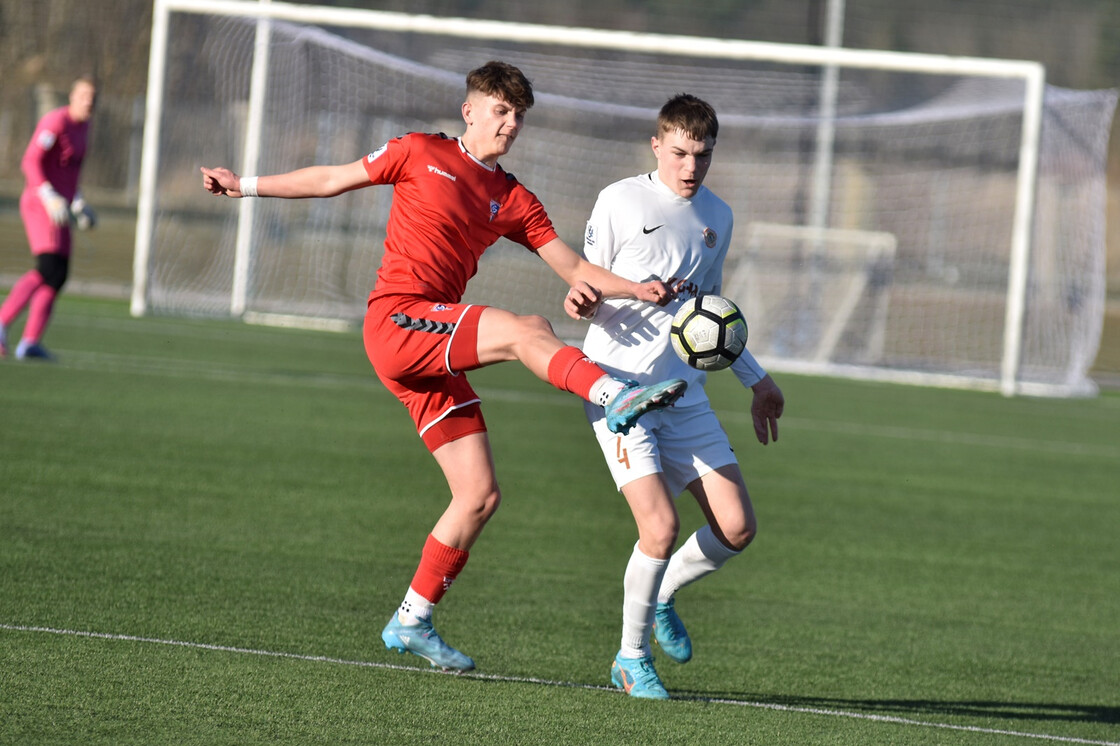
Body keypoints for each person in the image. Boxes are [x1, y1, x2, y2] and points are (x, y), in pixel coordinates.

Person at [200, 61, 687, 672]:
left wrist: (636, 288)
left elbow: (575, 269)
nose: (509, 125)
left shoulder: (512, 197)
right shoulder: (417, 151)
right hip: (398, 320)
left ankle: (412, 617)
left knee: (479, 495)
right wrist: (242, 184)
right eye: (500, 111)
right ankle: (611, 392)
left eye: (518, 117)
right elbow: (332, 178)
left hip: (429, 346)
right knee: (524, 330)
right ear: (470, 110)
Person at [577, 94, 785, 699]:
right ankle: (630, 658)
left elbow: (708, 318)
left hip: (684, 396)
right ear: (656, 146)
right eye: (680, 154)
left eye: (703, 156)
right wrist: (590, 298)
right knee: (660, 528)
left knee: (737, 527)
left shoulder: (717, 215)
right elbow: (585, 278)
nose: (691, 167)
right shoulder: (620, 199)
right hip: (618, 389)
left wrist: (758, 379)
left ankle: (662, 595)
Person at [0, 76, 98, 361]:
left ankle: (29, 343)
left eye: (93, 96)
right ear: (72, 96)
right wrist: (47, 193)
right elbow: (30, 161)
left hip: (62, 206)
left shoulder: (85, 128)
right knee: (47, 267)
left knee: (58, 275)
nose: (89, 101)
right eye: (84, 95)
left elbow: (70, 172)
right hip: (40, 202)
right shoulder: (55, 122)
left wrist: (78, 202)